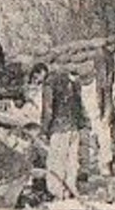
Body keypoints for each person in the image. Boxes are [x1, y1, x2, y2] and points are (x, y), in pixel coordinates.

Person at [36, 63, 87, 199]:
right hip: (74, 128)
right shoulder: (70, 80)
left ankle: (56, 192)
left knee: (56, 162)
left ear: (41, 72)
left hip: (59, 128)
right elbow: (79, 105)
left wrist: (43, 130)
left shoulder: (49, 83)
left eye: (37, 77)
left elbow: (48, 110)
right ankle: (71, 189)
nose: (38, 81)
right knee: (71, 161)